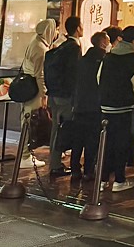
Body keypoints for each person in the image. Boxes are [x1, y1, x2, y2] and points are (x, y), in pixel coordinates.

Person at [99, 25, 134, 191]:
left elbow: (99, 78)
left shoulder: (108, 57)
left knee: (106, 141)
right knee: (121, 142)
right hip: (124, 107)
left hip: (105, 106)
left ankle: (103, 179)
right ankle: (119, 179)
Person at [46, 16, 83, 177]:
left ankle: (55, 163)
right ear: (77, 29)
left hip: (54, 93)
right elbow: (73, 74)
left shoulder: (63, 46)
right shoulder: (74, 48)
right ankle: (55, 165)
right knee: (63, 129)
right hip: (65, 96)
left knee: (57, 128)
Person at [72, 31, 109, 181]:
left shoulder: (82, 60)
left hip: (80, 104)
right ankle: (88, 170)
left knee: (78, 139)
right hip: (95, 105)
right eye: (107, 41)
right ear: (102, 43)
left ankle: (75, 168)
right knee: (92, 139)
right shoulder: (103, 60)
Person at [21, 18, 57, 167]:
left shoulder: (35, 41)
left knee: (27, 119)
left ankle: (25, 153)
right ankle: (24, 155)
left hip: (28, 87)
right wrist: (43, 94)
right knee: (31, 120)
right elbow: (39, 74)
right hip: (34, 90)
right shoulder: (40, 49)